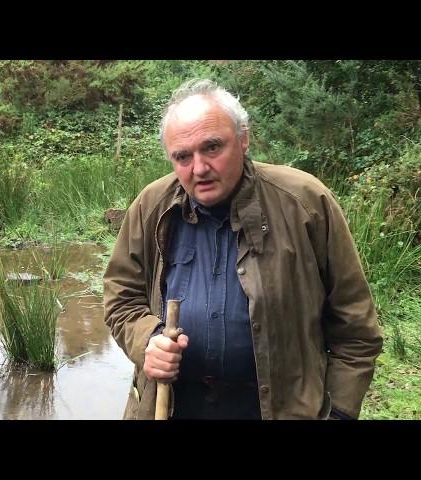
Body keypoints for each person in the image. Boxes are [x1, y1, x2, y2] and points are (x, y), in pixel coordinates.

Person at [103, 78, 383, 420]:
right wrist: (147, 339)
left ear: (243, 139)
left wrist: (338, 412)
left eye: (212, 147)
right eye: (182, 156)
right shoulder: (152, 206)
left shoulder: (306, 203)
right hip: (174, 407)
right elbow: (121, 298)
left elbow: (355, 328)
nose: (200, 168)